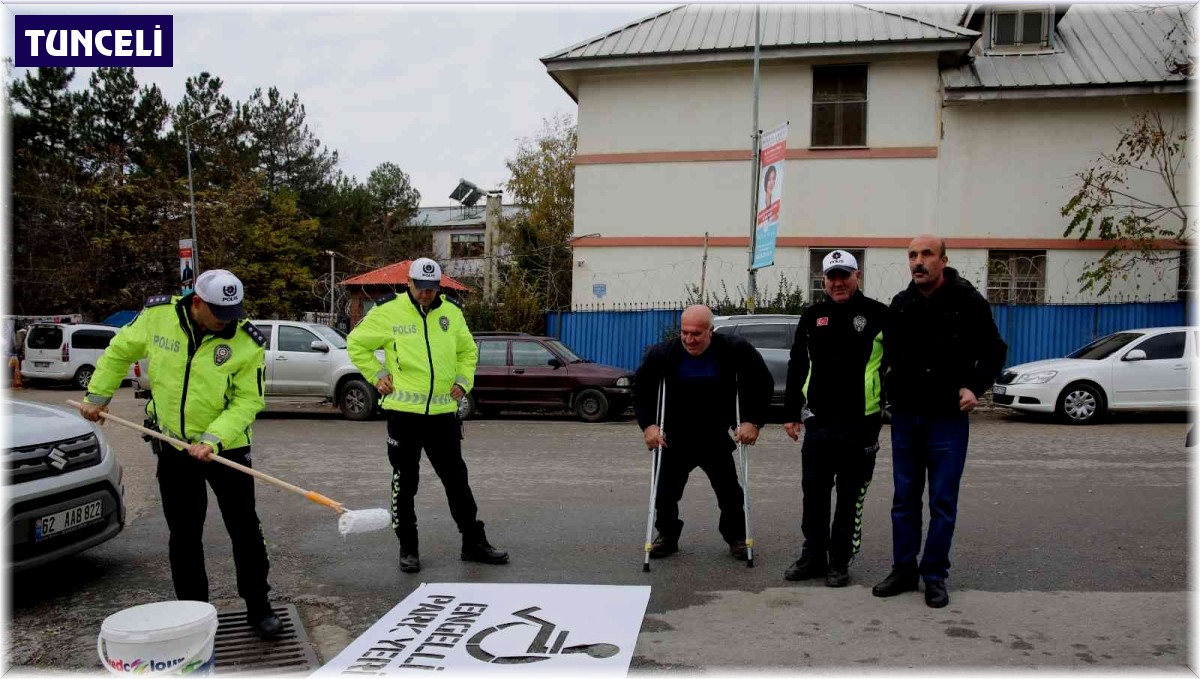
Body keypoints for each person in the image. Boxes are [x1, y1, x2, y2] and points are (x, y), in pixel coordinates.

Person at [78, 270, 282, 638]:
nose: (227, 321)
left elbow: (249, 399)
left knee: (245, 530)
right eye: (220, 313)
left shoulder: (246, 339)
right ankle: (192, 613)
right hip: (173, 445)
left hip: (227, 449)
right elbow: (120, 350)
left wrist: (214, 438)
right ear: (197, 302)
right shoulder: (159, 317)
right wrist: (98, 394)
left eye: (233, 312)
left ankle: (258, 606)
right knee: (185, 534)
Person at [346, 256, 508, 574]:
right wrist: (376, 374)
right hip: (404, 415)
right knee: (405, 484)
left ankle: (473, 542)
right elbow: (356, 344)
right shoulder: (387, 311)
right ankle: (408, 548)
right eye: (421, 289)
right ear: (409, 283)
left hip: (443, 415)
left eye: (432, 290)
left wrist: (464, 380)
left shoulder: (452, 312)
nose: (426, 295)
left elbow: (467, 351)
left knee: (457, 482)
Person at [872, 235, 1007, 608]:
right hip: (906, 418)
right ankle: (903, 570)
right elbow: (888, 357)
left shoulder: (967, 302)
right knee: (904, 500)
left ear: (943, 260)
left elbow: (995, 349)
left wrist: (974, 387)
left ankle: (934, 574)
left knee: (943, 502)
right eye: (913, 255)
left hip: (947, 419)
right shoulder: (901, 305)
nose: (919, 261)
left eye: (927, 254)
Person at [781, 250, 889, 587]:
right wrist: (791, 412)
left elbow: (897, 365)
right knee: (813, 495)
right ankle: (813, 556)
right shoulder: (812, 316)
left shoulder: (878, 314)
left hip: (861, 424)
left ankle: (839, 561)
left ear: (857, 275)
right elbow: (798, 363)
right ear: (823, 281)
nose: (838, 282)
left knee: (849, 497)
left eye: (845, 275)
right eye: (832, 276)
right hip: (819, 423)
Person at [633, 305, 773, 561]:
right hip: (674, 435)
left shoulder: (734, 350)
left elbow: (762, 383)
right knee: (664, 492)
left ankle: (736, 537)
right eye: (684, 333)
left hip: (714, 435)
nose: (689, 339)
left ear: (711, 331)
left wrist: (753, 421)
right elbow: (641, 389)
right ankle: (667, 535)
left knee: (730, 492)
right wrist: (649, 426)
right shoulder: (663, 353)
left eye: (696, 334)